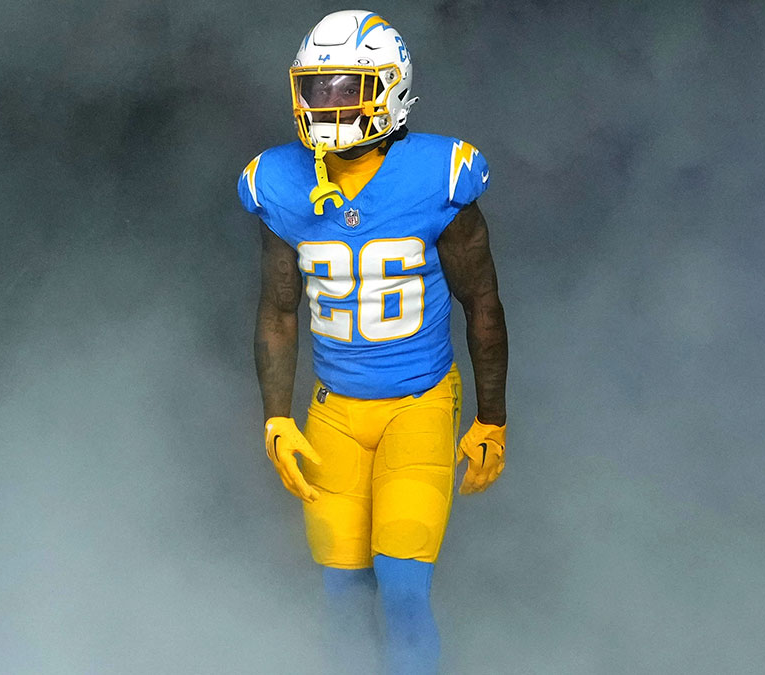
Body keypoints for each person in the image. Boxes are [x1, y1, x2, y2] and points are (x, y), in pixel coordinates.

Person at [238, 10, 508, 674]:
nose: (327, 107)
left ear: (391, 88)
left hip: (417, 403)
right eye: (317, 89)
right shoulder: (279, 180)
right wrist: (276, 414)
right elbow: (279, 309)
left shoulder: (436, 175)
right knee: (341, 592)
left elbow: (483, 305)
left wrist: (491, 418)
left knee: (404, 584)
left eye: (346, 89)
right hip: (334, 410)